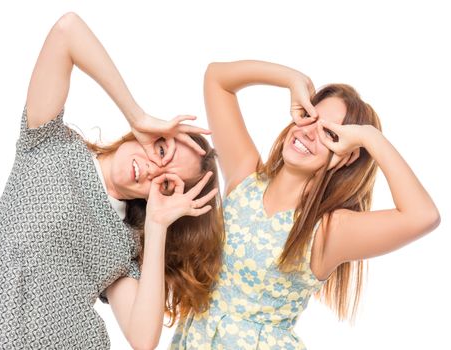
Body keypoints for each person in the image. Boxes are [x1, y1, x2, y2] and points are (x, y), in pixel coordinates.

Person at [0, 12, 224, 350]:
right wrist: (138, 115)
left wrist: (157, 225)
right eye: (161, 149)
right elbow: (67, 30)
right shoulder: (49, 142)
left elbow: (143, 340)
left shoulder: (124, 244)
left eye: (168, 183)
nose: (153, 169)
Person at [169, 60, 441, 349]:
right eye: (310, 117)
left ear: (346, 155)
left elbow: (423, 216)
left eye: (330, 133)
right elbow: (217, 79)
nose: (310, 132)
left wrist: (369, 138)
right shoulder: (245, 178)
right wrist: (292, 78)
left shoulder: (328, 230)